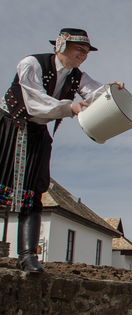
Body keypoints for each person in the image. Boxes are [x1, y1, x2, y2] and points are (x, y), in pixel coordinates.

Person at [0, 28, 124, 272]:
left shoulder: (76, 76)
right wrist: (70, 107)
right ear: (61, 45)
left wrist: (111, 92)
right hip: (11, 126)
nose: (83, 55)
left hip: (40, 133)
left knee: (34, 189)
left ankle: (27, 256)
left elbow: (95, 93)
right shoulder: (31, 63)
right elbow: (33, 100)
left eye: (86, 52)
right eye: (79, 49)